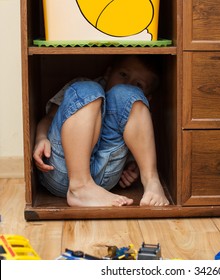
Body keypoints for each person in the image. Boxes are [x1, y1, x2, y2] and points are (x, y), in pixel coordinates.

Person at [33, 55, 170, 207]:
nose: (127, 83)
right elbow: (50, 118)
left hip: (106, 175)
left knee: (130, 95)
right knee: (87, 88)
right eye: (123, 74)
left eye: (138, 84)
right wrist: (41, 138)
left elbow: (134, 143)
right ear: (108, 72)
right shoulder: (83, 89)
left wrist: (131, 167)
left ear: (148, 97)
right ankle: (80, 187)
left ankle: (151, 181)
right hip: (59, 168)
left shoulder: (133, 104)